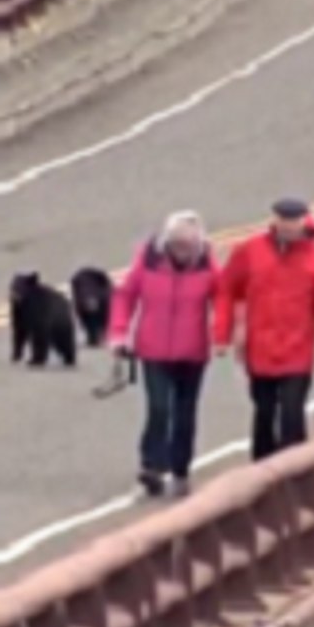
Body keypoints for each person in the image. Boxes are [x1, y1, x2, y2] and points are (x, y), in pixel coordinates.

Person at [213, 197, 314, 462]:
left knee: (292, 416)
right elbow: (227, 289)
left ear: (303, 221)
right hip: (259, 351)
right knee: (263, 414)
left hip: (298, 353)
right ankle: (261, 472)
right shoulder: (250, 250)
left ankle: (296, 471)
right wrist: (222, 333)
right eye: (283, 220)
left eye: (294, 220)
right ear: (274, 219)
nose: (288, 226)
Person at [108, 210, 219, 498]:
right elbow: (125, 296)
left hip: (192, 352)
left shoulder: (207, 264)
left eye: (189, 246)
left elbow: (223, 299)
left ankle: (180, 469)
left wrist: (223, 334)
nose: (183, 252)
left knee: (185, 414)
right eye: (177, 245)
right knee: (159, 408)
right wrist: (119, 333)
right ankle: (152, 465)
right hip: (153, 349)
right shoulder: (148, 261)